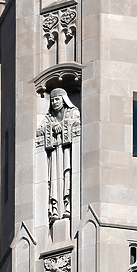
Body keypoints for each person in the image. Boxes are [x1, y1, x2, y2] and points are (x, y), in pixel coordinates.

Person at [37, 88, 80, 229]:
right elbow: (40, 131)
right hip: (55, 156)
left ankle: (67, 206)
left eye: (57, 99)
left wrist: (62, 126)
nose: (55, 102)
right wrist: (52, 127)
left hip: (67, 154)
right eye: (53, 100)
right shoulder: (48, 118)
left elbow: (77, 123)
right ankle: (55, 209)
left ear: (64, 99)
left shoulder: (72, 112)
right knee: (54, 182)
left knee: (67, 178)